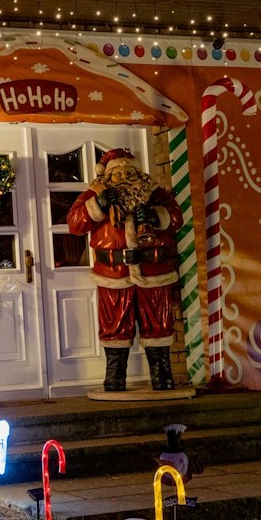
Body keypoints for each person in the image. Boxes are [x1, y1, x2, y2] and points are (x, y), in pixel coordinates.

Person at [68, 147, 183, 391]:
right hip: (114, 273)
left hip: (153, 271)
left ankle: (162, 375)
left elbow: (176, 218)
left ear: (137, 170)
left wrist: (154, 216)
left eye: (128, 169)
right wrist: (97, 205)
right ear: (107, 174)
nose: (123, 174)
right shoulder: (96, 192)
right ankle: (115, 376)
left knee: (158, 323)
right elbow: (75, 223)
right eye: (117, 170)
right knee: (114, 325)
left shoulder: (153, 192)